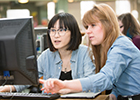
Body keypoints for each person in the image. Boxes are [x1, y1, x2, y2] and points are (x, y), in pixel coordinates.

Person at [39, 4, 140, 100]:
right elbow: (121, 80)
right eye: (87, 27)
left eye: (93, 25)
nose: (88, 31)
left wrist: (65, 84)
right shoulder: (108, 48)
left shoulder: (121, 45)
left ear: (109, 25)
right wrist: (114, 94)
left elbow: (105, 79)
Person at [0, 13, 95, 94]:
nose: (56, 35)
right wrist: (8, 88)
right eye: (52, 30)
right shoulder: (46, 56)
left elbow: (91, 84)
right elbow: (28, 77)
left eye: (61, 30)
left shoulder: (85, 53)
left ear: (73, 33)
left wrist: (65, 89)